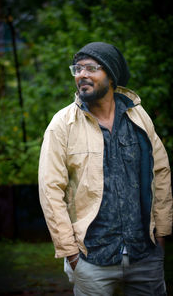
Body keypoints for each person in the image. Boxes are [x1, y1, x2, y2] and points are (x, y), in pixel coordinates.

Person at [38, 42, 172, 296]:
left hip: (144, 253)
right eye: (77, 69)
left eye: (91, 68)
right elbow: (50, 190)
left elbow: (161, 173)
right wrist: (71, 253)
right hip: (91, 258)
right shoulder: (62, 125)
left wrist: (162, 233)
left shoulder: (139, 117)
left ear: (111, 74)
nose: (81, 75)